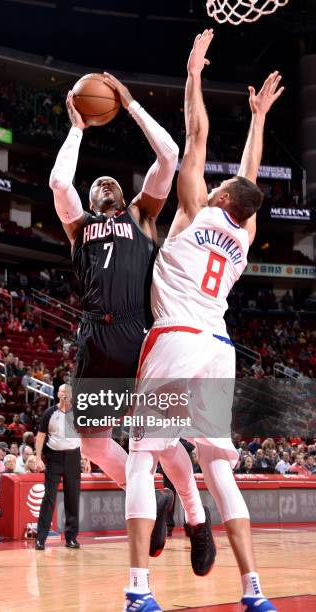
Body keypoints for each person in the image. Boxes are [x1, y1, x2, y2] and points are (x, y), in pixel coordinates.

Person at [124, 31, 284, 612]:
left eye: (215, 188)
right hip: (220, 348)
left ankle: (139, 591)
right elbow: (250, 177)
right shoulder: (242, 235)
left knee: (143, 454)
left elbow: (197, 136)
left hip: (178, 340)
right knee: (221, 471)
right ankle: (253, 592)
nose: (208, 184)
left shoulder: (194, 213)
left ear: (216, 198)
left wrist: (192, 75)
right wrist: (259, 118)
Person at [49, 72, 186, 556]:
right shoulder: (79, 228)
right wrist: (78, 129)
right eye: (99, 184)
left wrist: (129, 105)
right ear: (90, 201)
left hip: (133, 331)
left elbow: (170, 156)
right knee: (91, 444)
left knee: (154, 436)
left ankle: (185, 504)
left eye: (112, 182)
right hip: (92, 337)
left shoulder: (142, 215)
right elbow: (59, 180)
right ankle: (154, 498)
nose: (105, 184)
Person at [35, 384, 81, 550]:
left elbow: (85, 435)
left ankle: (71, 538)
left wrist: (87, 458)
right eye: (62, 391)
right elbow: (40, 437)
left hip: (73, 457)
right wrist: (37, 457)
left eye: (67, 392)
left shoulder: (78, 412)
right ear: (58, 394)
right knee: (49, 497)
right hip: (54, 457)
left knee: (72, 498)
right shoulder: (50, 413)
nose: (64, 394)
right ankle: (41, 538)